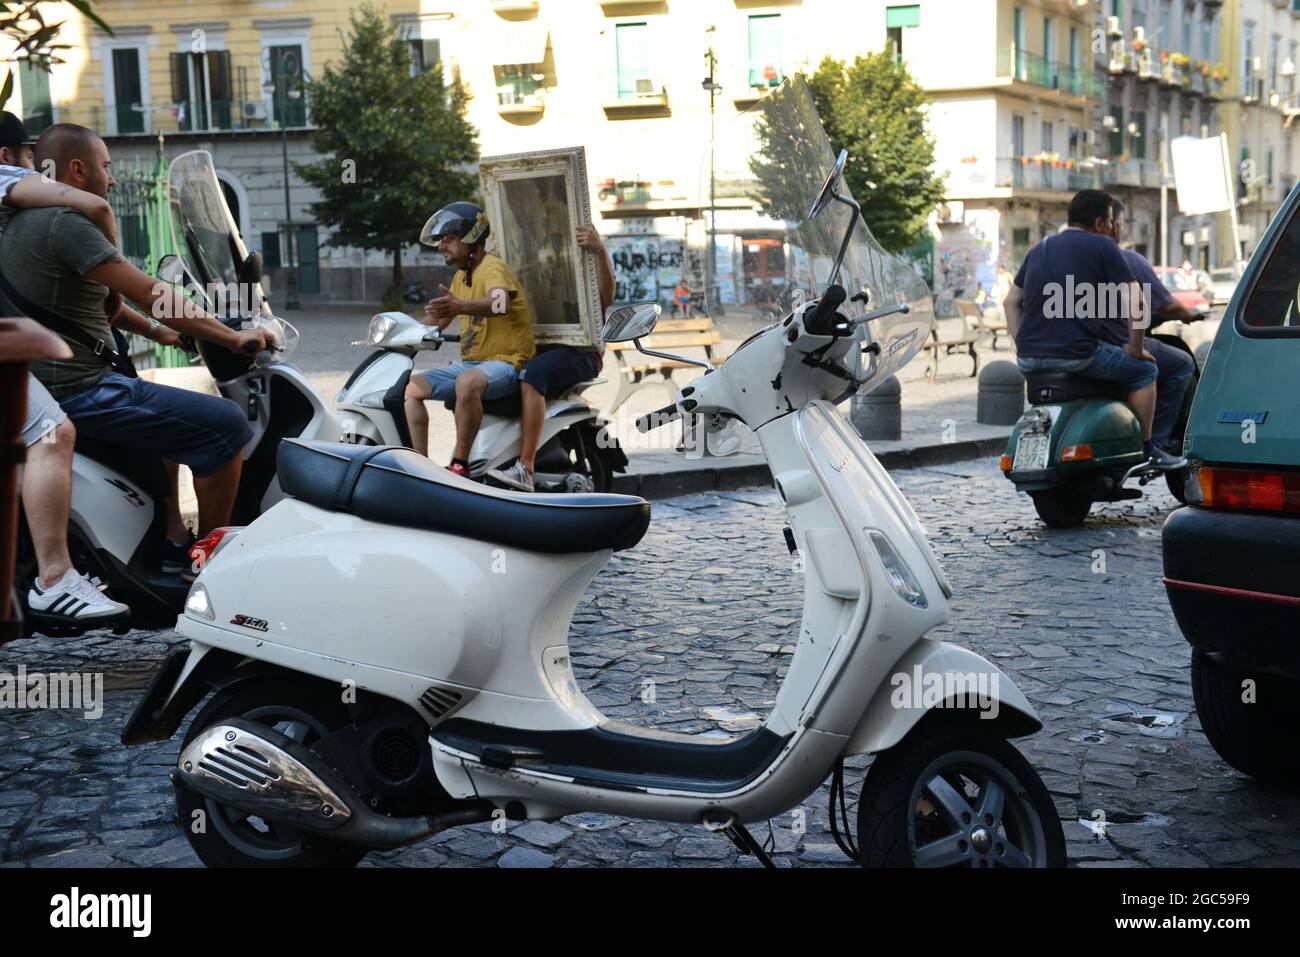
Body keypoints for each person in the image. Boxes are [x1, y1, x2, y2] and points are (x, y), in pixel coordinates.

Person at [0, 124, 273, 540]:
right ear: (77, 170)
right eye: (105, 167)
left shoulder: (28, 220)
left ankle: (172, 535)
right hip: (83, 390)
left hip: (59, 383)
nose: (111, 178)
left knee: (174, 420)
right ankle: (210, 558)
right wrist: (229, 336)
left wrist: (160, 332)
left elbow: (93, 306)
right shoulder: (64, 222)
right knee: (227, 425)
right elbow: (150, 292)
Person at [0, 114, 133, 624]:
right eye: (30, 158)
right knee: (51, 432)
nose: (39, 171)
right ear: (9, 157)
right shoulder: (6, 179)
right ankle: (54, 579)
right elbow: (94, 204)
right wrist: (115, 285)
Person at [1002, 188, 1183, 470]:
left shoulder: (1040, 248)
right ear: (1100, 223)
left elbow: (1011, 302)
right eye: (1111, 222)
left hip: (1028, 358)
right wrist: (1135, 349)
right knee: (1147, 371)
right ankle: (1147, 449)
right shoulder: (1103, 246)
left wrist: (1021, 343)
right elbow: (1136, 299)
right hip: (1078, 355)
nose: (1112, 228)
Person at [404, 202, 534, 474]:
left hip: (507, 363)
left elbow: (500, 305)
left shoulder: (493, 268)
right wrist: (398, 335)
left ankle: (459, 464)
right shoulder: (461, 278)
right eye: (440, 240)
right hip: (473, 364)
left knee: (466, 382)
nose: (441, 246)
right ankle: (420, 467)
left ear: (471, 238)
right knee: (408, 390)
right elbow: (438, 322)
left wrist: (460, 306)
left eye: (448, 239)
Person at [488, 224, 615, 492]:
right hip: (539, 347)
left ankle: (525, 467)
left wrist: (599, 250)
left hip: (581, 352)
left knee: (533, 377)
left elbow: (607, 296)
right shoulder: (525, 263)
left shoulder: (585, 260)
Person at [1105, 201, 1196, 460]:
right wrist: (1189, 314)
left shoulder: (1069, 260)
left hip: (1081, 347)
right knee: (1180, 364)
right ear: (1112, 226)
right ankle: (1157, 442)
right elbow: (1164, 305)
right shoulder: (1128, 259)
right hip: (1115, 344)